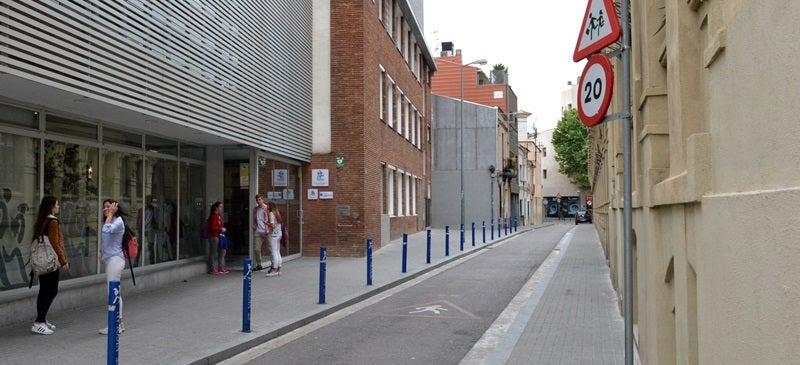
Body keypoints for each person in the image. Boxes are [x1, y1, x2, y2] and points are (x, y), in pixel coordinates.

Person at [30, 196, 69, 335]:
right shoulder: (52, 222)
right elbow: (55, 243)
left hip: (42, 262)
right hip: (50, 262)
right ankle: (39, 322)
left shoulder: (42, 220)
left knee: (45, 290)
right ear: (52, 206)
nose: (58, 207)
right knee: (51, 291)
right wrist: (63, 260)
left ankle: (42, 319)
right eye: (57, 205)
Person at [99, 198, 127, 335]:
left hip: (116, 260)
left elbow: (105, 231)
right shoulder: (112, 220)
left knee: (113, 293)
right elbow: (106, 240)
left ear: (115, 208)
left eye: (108, 206)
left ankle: (115, 324)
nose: (105, 209)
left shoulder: (118, 222)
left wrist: (110, 214)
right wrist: (101, 252)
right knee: (115, 292)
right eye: (104, 207)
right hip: (110, 260)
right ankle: (118, 323)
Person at [207, 201, 228, 274]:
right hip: (214, 236)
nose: (221, 208)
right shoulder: (213, 216)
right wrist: (221, 229)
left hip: (219, 236)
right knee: (213, 252)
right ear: (216, 208)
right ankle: (212, 268)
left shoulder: (218, 216)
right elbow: (212, 227)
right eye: (220, 207)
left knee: (222, 251)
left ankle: (221, 267)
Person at [251, 195, 270, 271]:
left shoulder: (266, 208)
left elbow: (270, 218)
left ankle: (273, 264)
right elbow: (255, 219)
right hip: (258, 231)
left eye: (259, 199)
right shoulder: (255, 209)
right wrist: (254, 227)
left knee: (270, 248)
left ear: (263, 200)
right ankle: (259, 265)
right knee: (256, 249)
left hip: (266, 231)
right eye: (257, 200)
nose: (258, 201)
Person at [265, 201, 283, 277]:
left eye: (268, 205)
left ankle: (275, 270)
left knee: (274, 253)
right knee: (278, 252)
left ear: (270, 206)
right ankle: (279, 269)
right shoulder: (277, 213)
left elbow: (272, 225)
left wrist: (266, 223)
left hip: (274, 235)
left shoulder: (271, 214)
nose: (267, 206)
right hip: (279, 234)